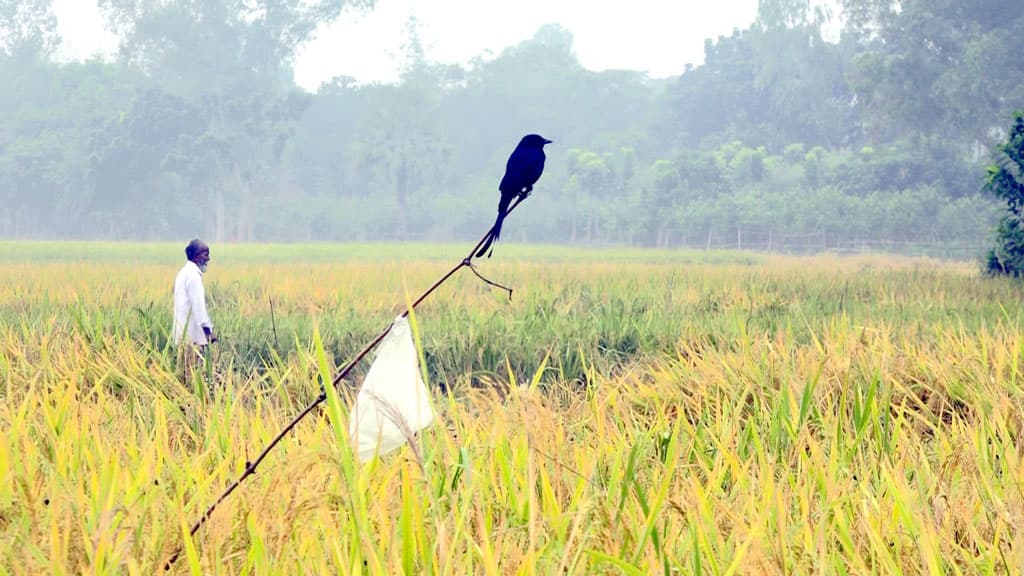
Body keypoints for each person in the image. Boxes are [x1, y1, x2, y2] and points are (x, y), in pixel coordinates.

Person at [476, 133, 552, 258]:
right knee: (501, 214)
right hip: (515, 185)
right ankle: (493, 238)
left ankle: (492, 238)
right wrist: (525, 189)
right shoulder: (537, 155)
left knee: (501, 214)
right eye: (540, 141)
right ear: (534, 143)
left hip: (509, 186)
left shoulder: (519, 153)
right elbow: (530, 174)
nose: (543, 143)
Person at [173, 239, 216, 376]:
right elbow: (199, 308)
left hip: (181, 334)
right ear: (197, 256)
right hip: (193, 337)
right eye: (205, 254)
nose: (208, 258)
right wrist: (208, 332)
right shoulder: (194, 277)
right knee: (195, 374)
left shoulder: (183, 273)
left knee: (184, 373)